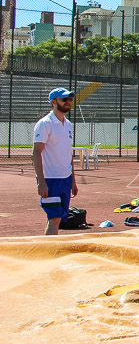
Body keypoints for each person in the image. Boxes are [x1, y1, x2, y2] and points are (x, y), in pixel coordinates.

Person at [32, 87, 78, 235]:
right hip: (51, 179)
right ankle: (48, 253)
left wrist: (73, 181)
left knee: (56, 218)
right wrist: (41, 181)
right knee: (55, 217)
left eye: (69, 99)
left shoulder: (68, 124)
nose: (68, 102)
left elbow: (67, 153)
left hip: (65, 179)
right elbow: (36, 152)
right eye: (64, 99)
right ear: (53, 102)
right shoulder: (45, 124)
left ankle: (47, 247)